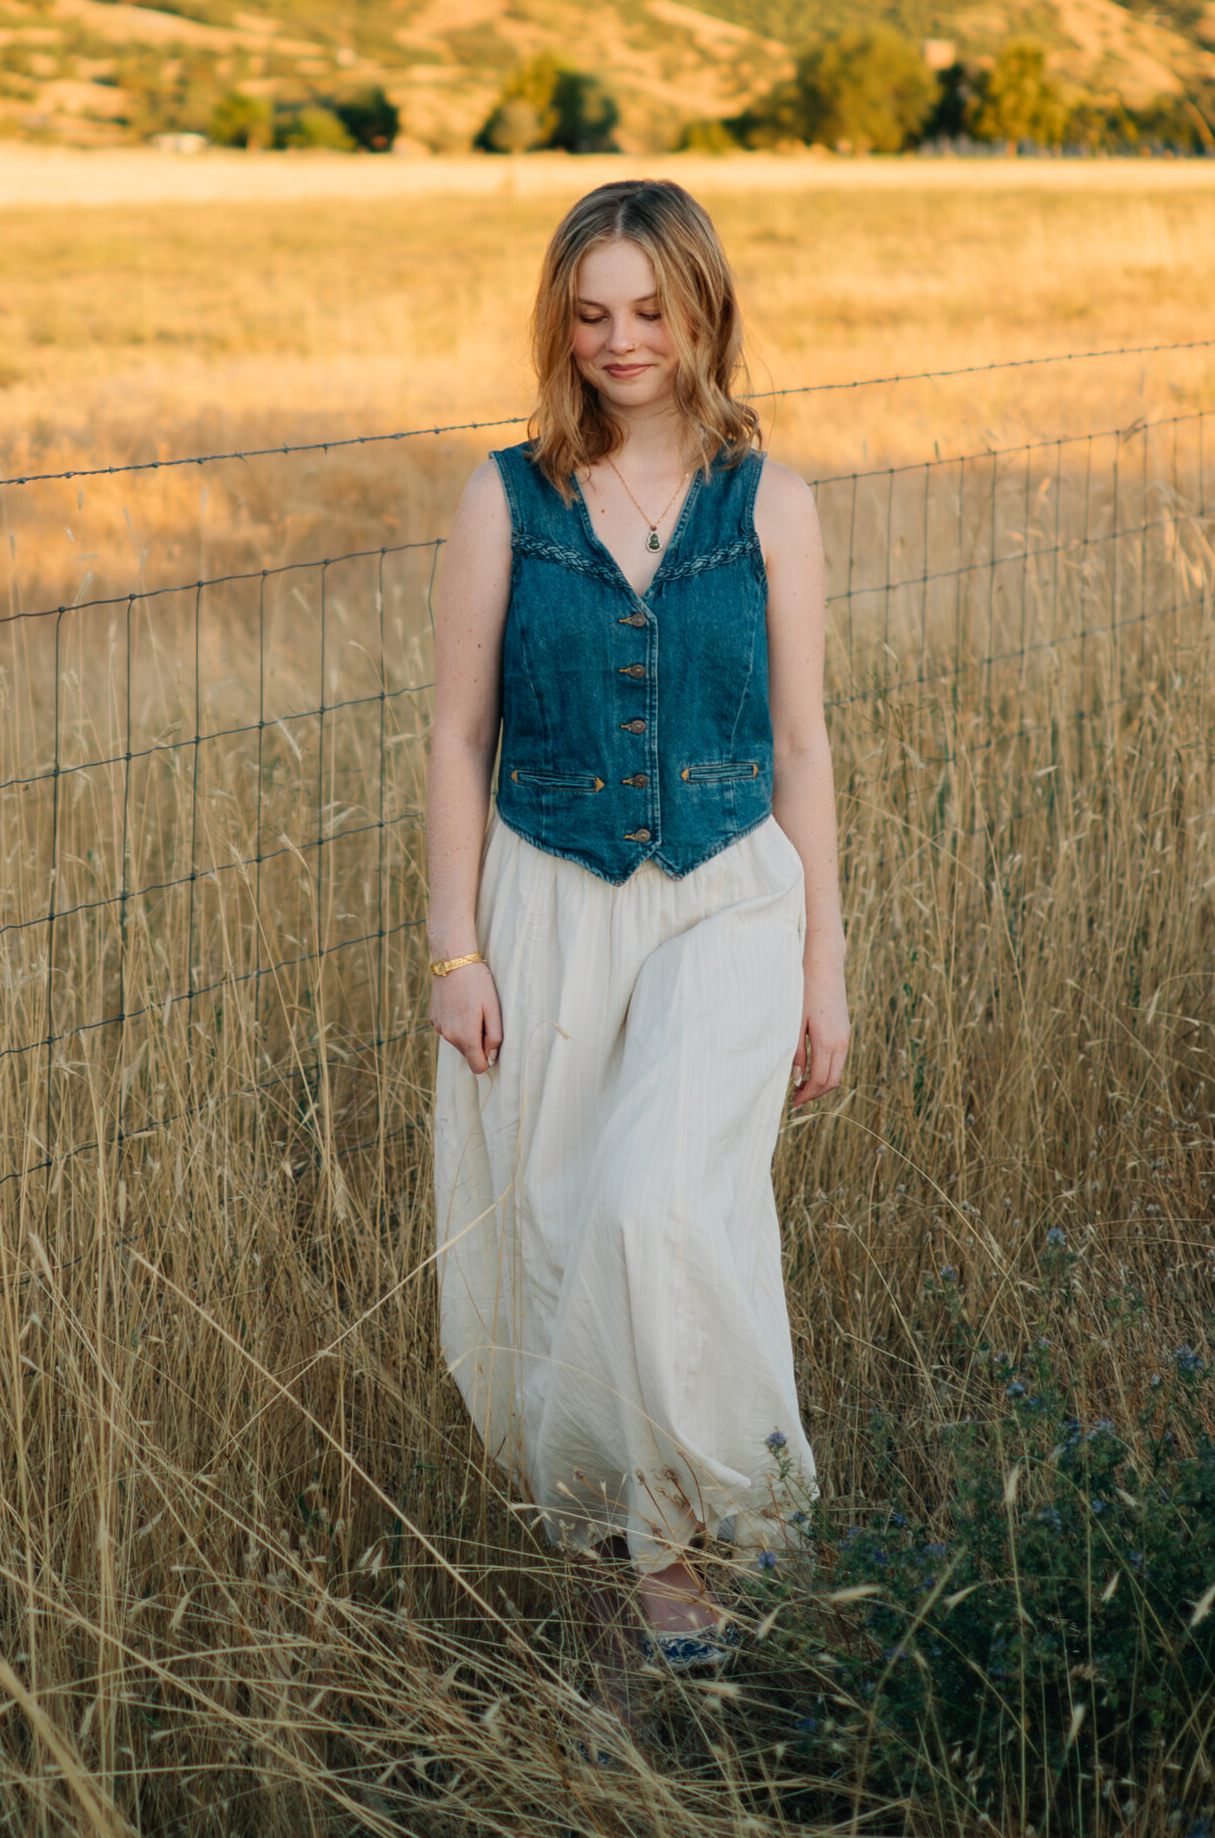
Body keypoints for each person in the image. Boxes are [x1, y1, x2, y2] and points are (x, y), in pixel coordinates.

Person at [426, 178, 850, 1671]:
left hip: (734, 902)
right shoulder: (505, 497)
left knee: (653, 1207)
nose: (621, 341)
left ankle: (719, 1545)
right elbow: (455, 739)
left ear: (702, 313)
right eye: (592, 314)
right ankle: (635, 1557)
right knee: (555, 1230)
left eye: (649, 312)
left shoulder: (771, 501)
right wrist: (455, 952)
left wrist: (826, 973)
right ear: (563, 324)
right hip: (546, 905)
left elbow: (800, 747)